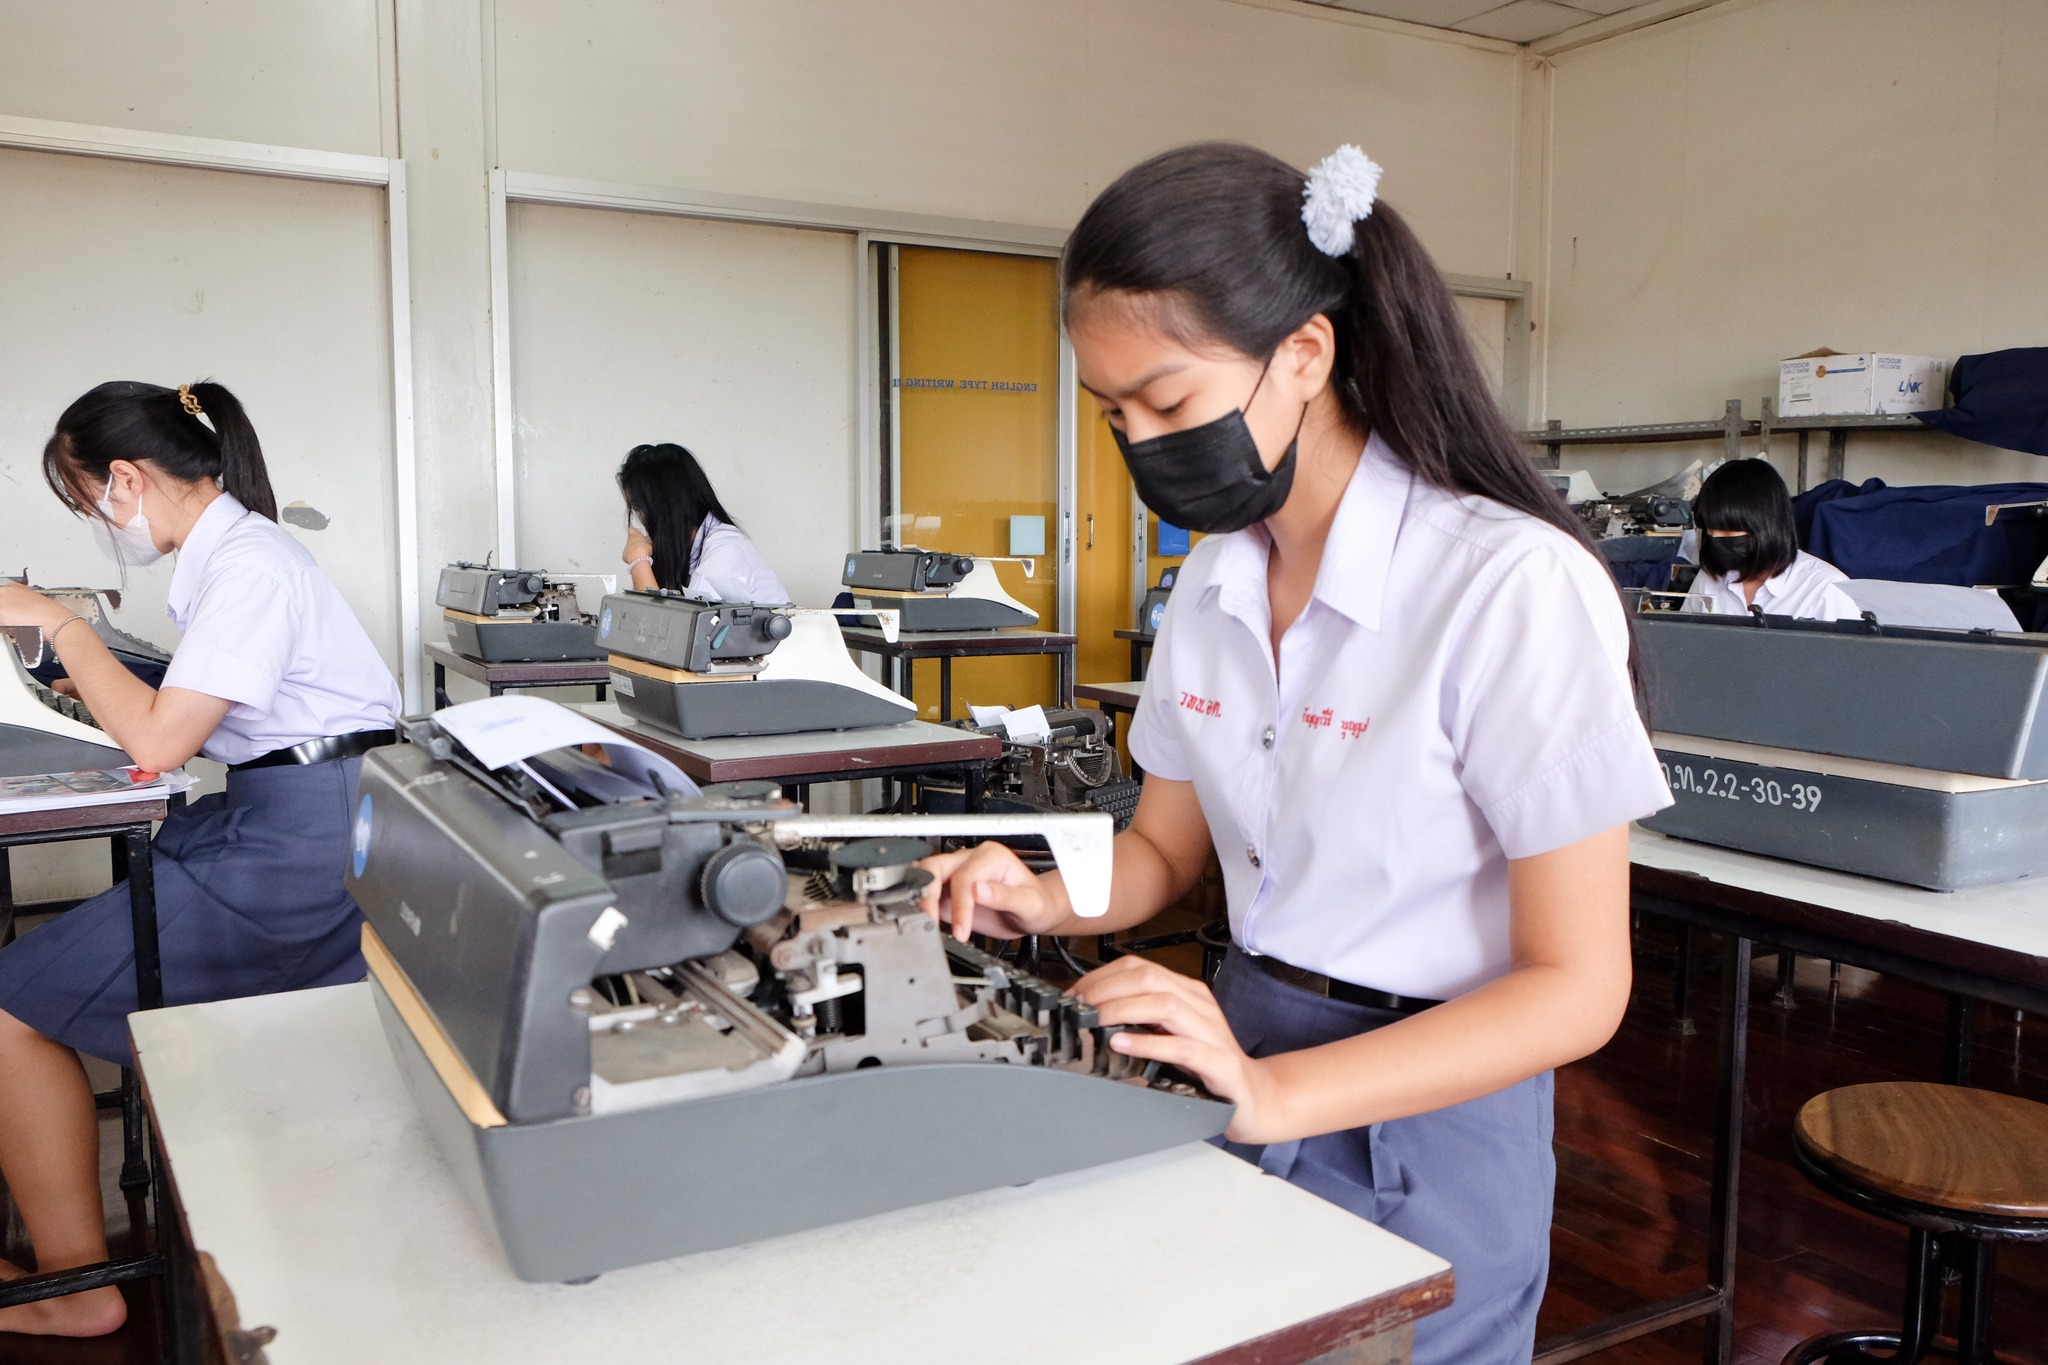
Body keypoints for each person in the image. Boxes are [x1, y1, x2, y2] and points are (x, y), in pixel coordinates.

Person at [916, 143, 1672, 1365]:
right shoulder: (1215, 578)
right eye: (1112, 414)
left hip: (1428, 1099)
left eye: (1165, 401)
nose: (1140, 442)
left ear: (1305, 356)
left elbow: (1578, 988)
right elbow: (1167, 848)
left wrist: (1276, 1095)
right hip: (1238, 1040)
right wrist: (1039, 894)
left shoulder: (1506, 585)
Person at [0, 380, 400, 1337]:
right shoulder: (237, 556)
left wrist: (60, 626)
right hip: (300, 816)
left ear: (128, 477)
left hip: (303, 845)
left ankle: (74, 1291)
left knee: (10, 1008)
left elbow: (163, 740)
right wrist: (82, 654)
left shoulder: (251, 565)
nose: (98, 520)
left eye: (87, 496)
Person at [1682, 458, 1859, 619]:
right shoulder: (1709, 578)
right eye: (1710, 531)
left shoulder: (1826, 589)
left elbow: (1848, 654)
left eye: (1728, 532)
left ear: (1766, 526)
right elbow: (1683, 644)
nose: (1716, 540)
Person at [617, 442, 789, 604]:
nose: (639, 524)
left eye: (640, 509)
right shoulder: (692, 550)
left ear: (663, 511)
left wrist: (639, 561)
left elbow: (662, 629)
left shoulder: (726, 552)